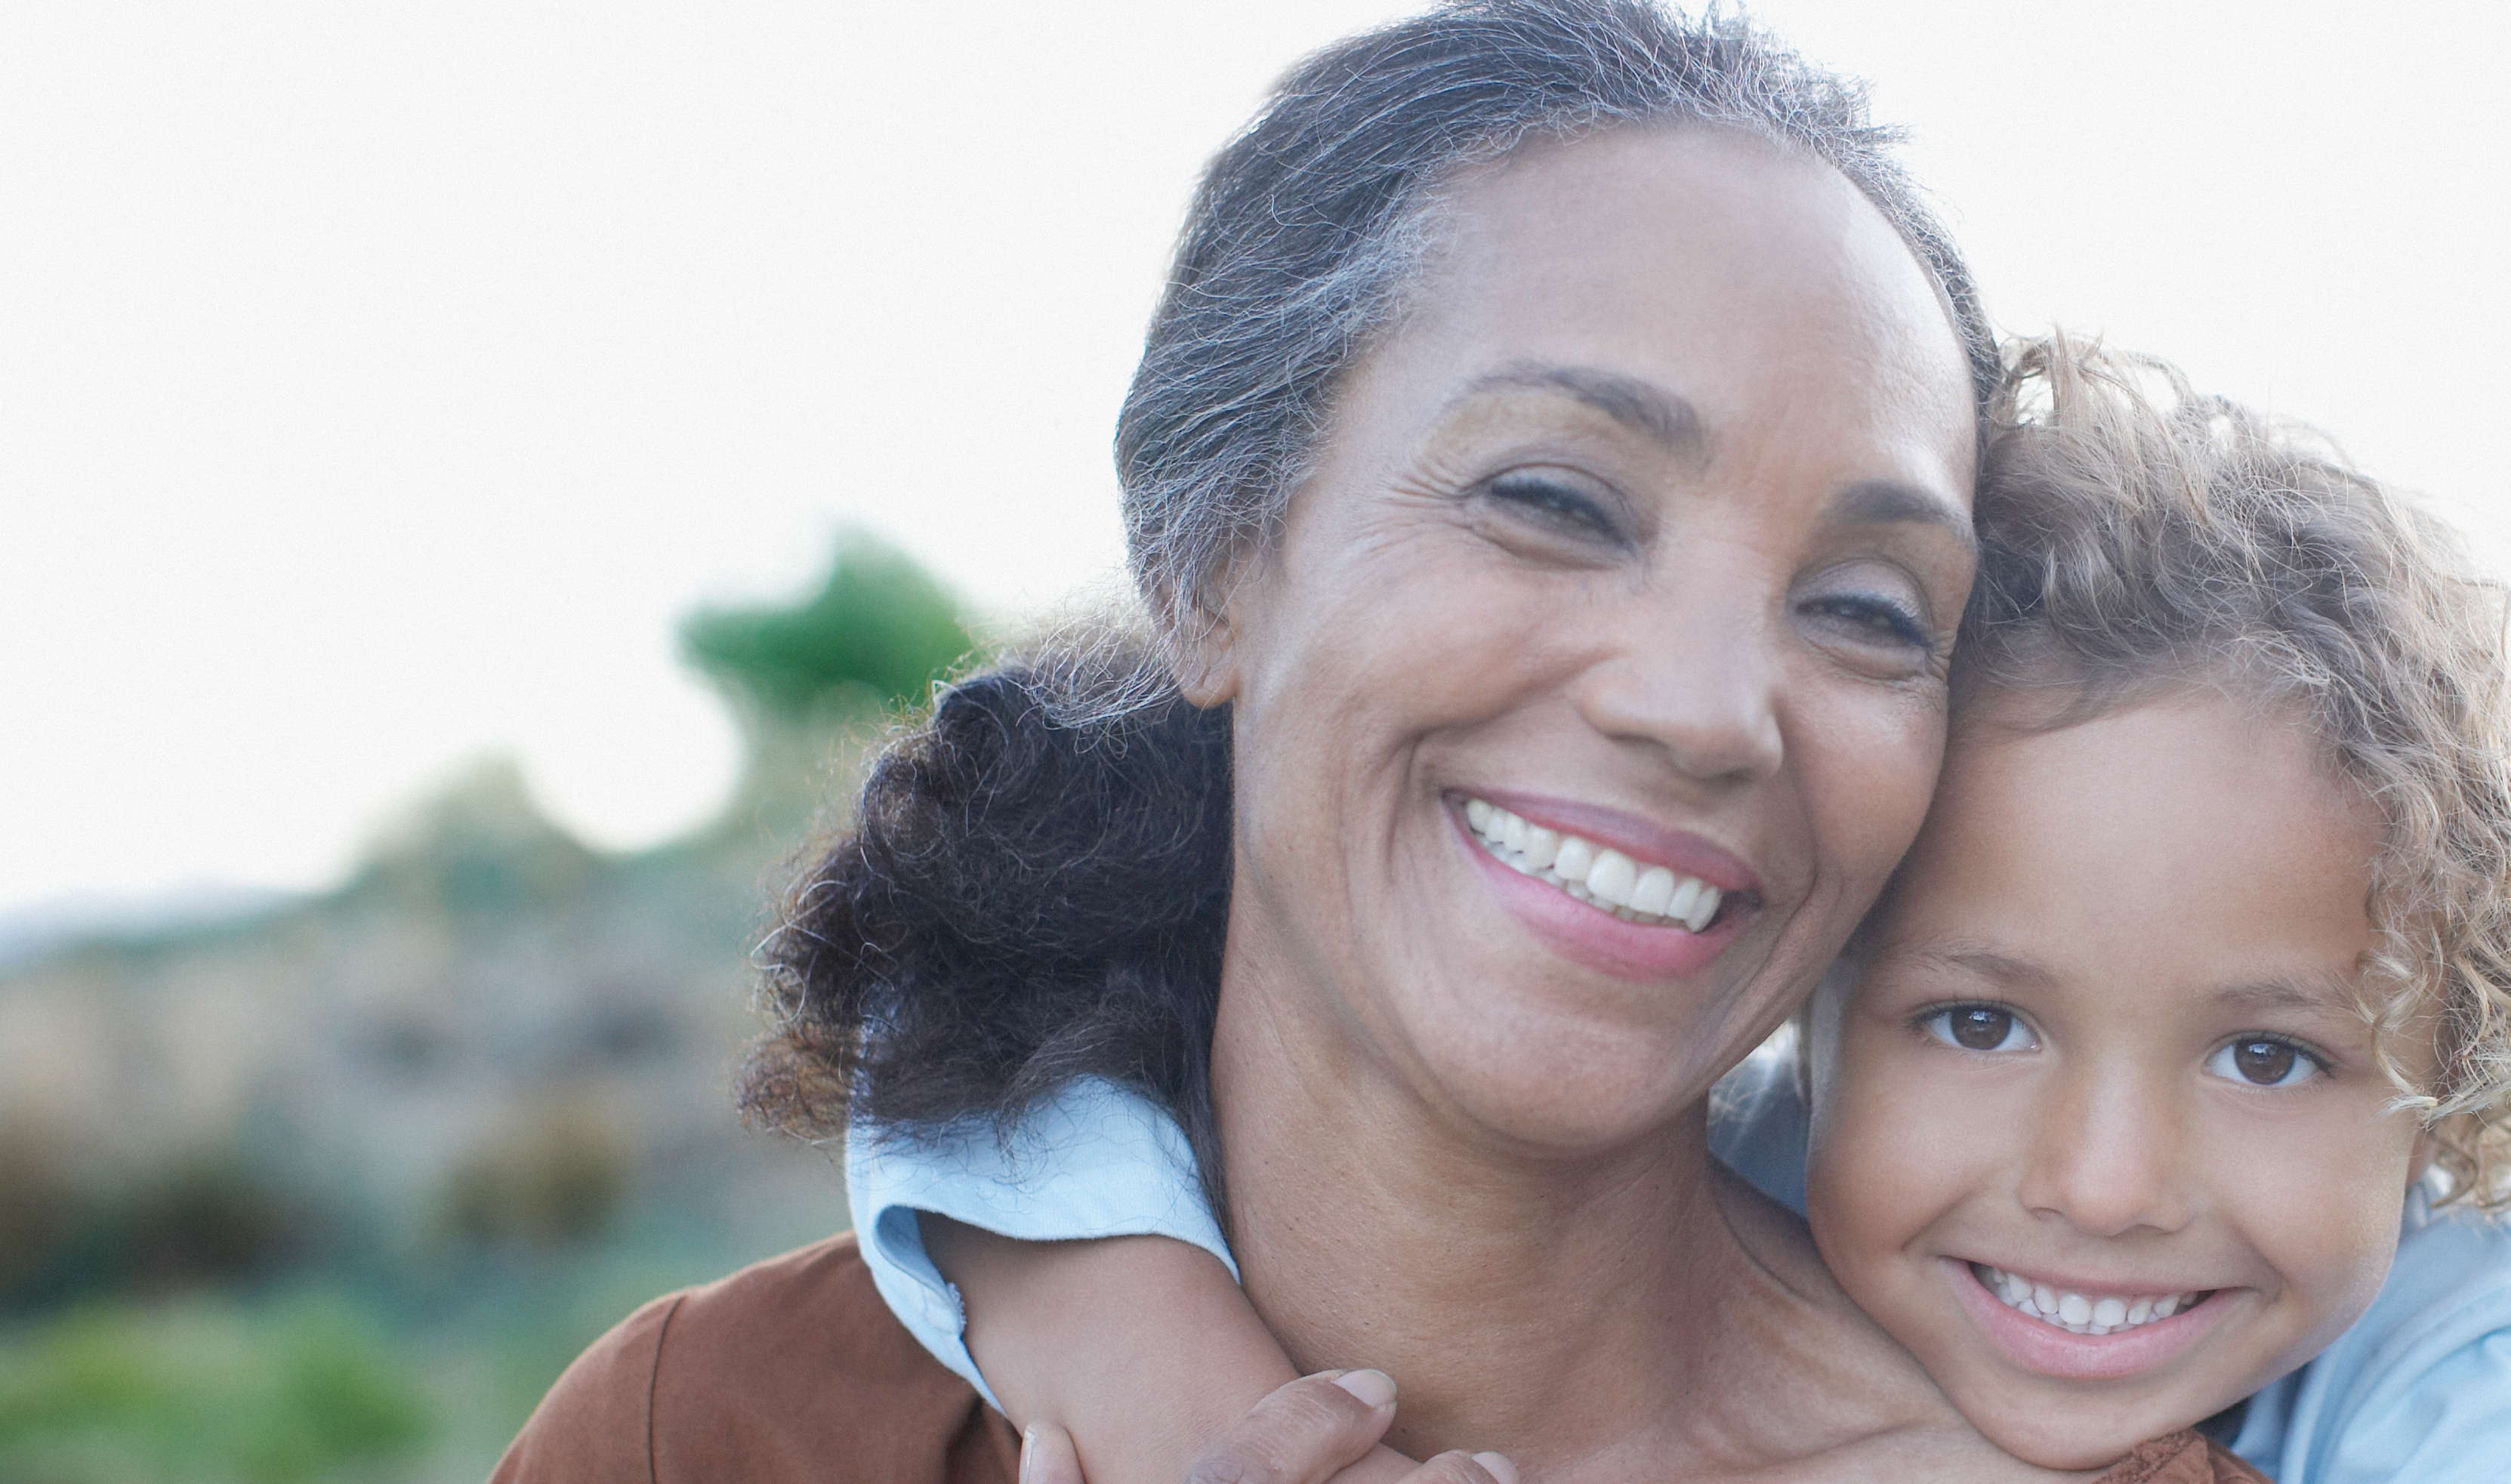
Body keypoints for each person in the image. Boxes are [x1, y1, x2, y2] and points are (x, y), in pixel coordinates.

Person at [501, 0, 2043, 1477]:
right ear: (1208, 555)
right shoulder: (701, 1435)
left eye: (1868, 609)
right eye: (1555, 503)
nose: (1706, 709)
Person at [866, 342, 2511, 1483]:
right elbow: (984, 1035)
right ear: (1804, 963)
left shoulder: (2486, 1359)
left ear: (2461, 1095)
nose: (2106, 1178)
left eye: (2272, 1053)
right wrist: (1150, 1359)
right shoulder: (1723, 1171)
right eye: (1979, 1021)